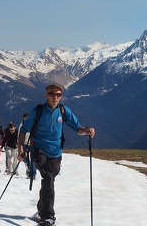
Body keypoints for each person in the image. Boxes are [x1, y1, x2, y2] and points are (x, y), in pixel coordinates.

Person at [18, 83, 95, 226]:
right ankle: (48, 216)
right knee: (48, 179)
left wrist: (87, 130)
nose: (55, 97)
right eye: (52, 94)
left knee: (49, 181)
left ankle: (41, 209)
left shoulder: (63, 111)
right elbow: (23, 131)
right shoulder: (38, 111)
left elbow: (77, 127)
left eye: (58, 94)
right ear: (46, 95)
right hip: (39, 151)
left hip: (56, 153)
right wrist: (21, 150)